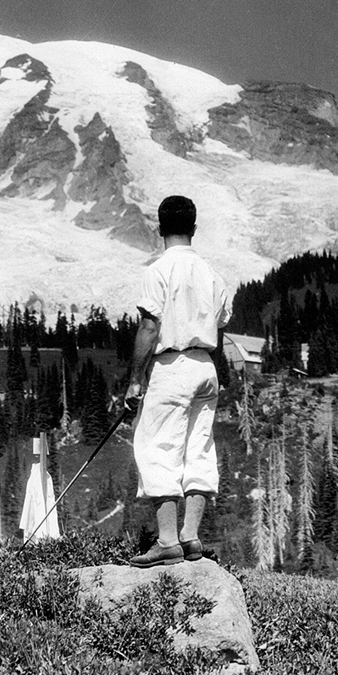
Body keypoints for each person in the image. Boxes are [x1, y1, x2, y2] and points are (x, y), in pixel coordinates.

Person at [124, 195, 230, 568]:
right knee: (198, 447)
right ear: (194, 229)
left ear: (159, 229)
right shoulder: (211, 273)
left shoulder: (159, 270)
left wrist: (135, 381)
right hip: (206, 366)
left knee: (156, 445)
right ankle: (191, 537)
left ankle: (167, 541)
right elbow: (221, 324)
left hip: (172, 366)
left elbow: (150, 327)